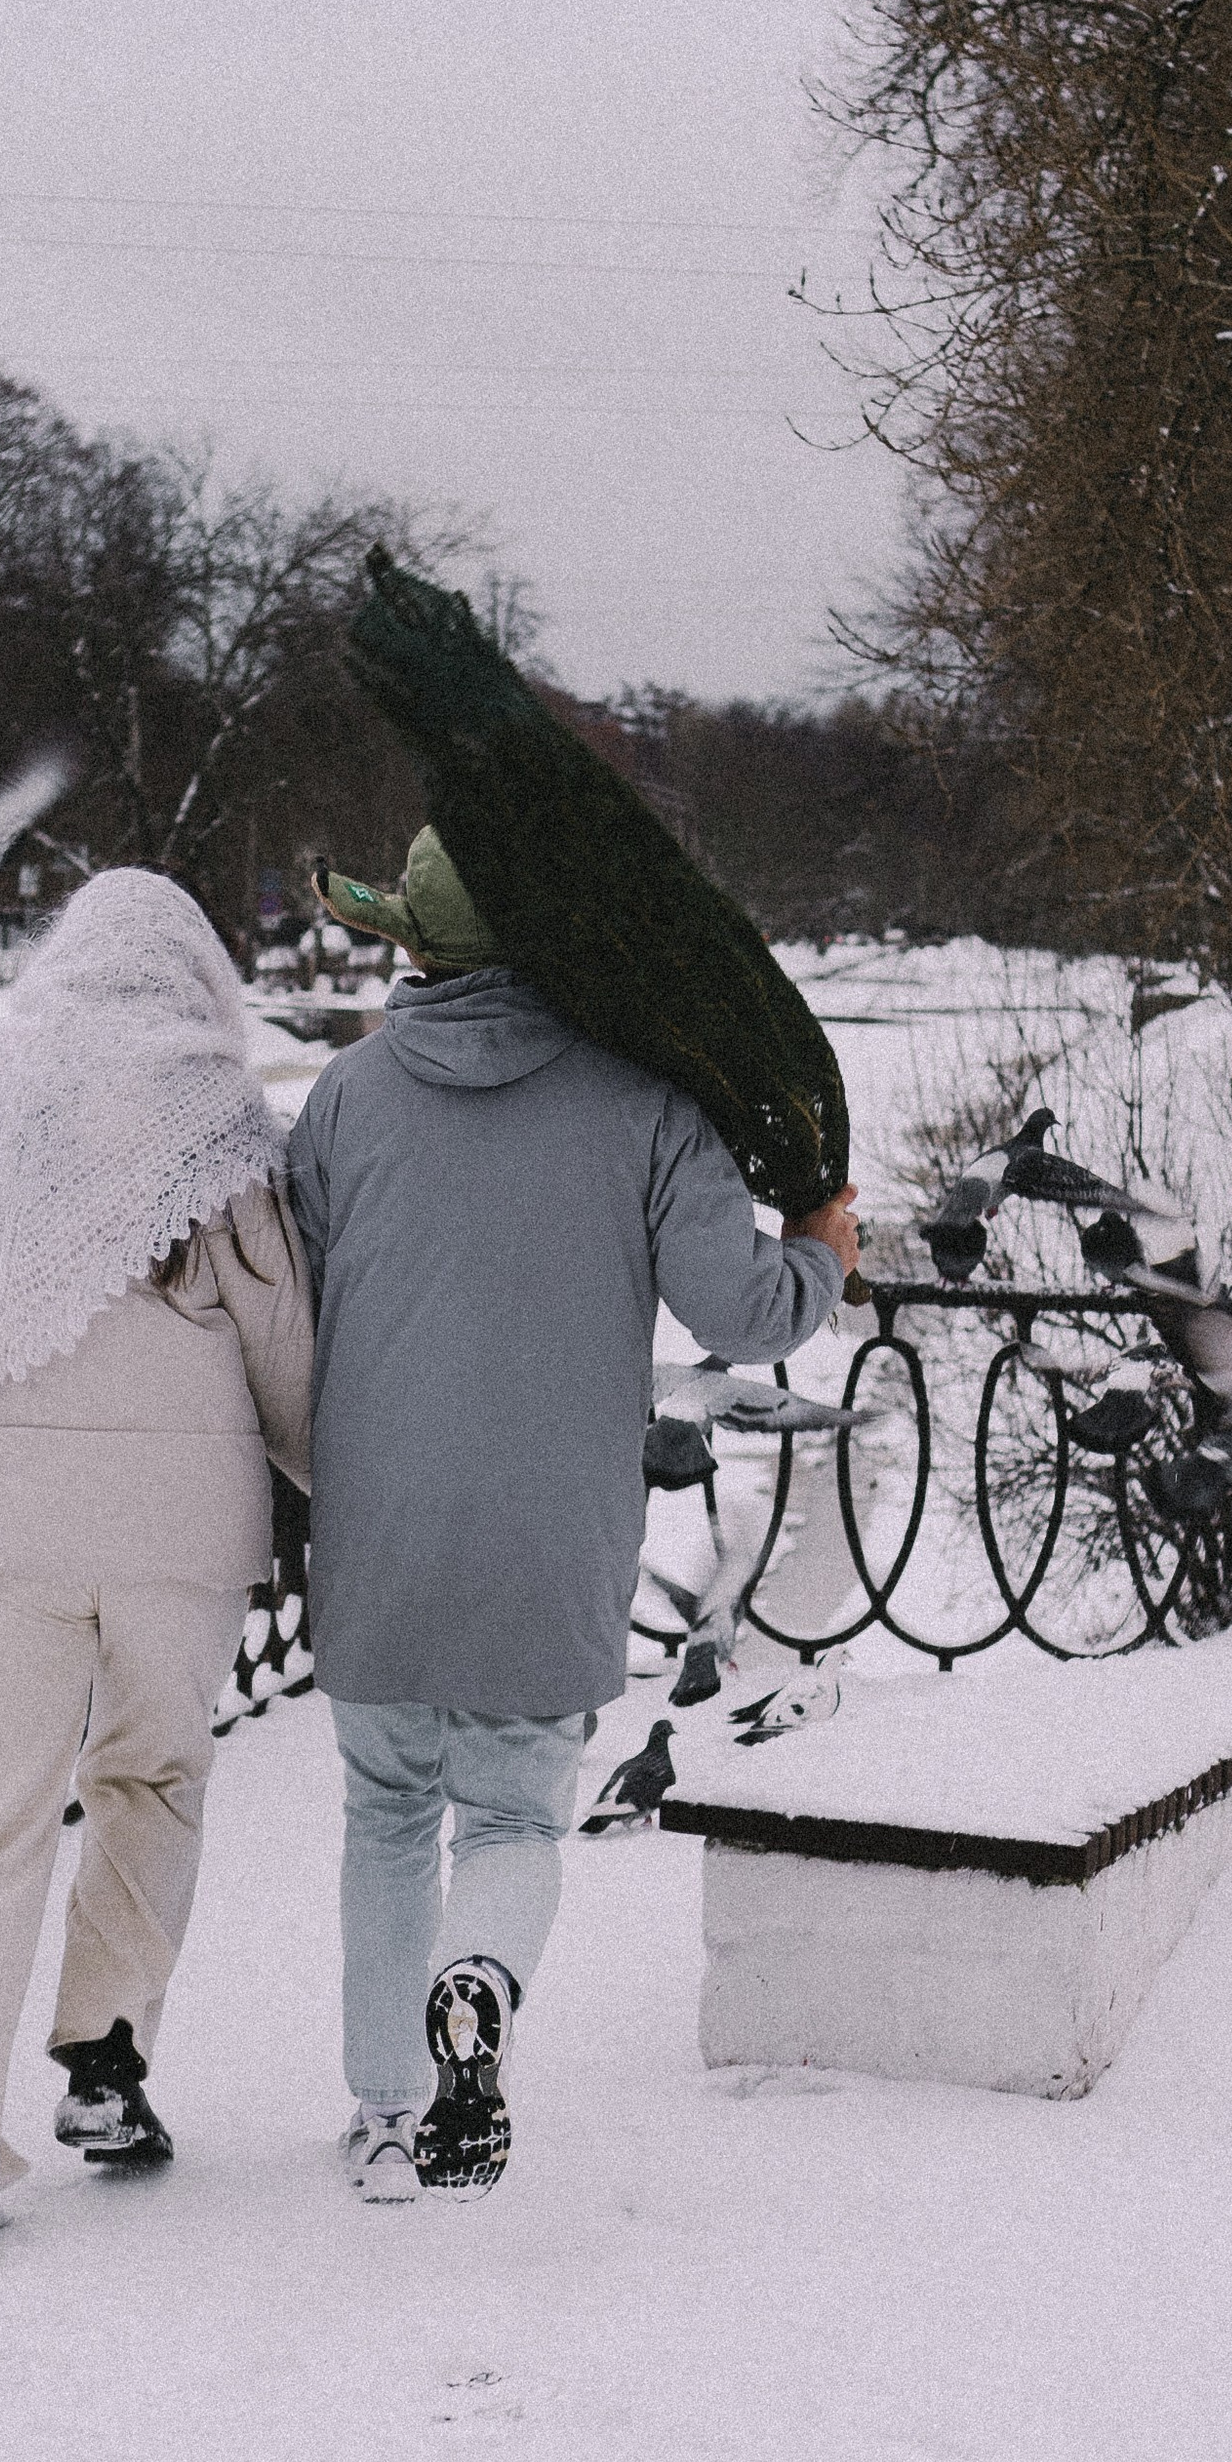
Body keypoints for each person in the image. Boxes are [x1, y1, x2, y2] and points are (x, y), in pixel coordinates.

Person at [286, 825, 857, 2203]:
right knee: (512, 1824)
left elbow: (295, 1300)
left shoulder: (345, 1099)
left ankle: (382, 2118)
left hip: (376, 1529)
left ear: (409, 947)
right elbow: (742, 1310)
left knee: (383, 1815)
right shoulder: (650, 1106)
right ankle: (476, 1987)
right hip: (548, 1540)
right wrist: (823, 1255)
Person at [0, 869, 312, 2255]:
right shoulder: (223, 1122)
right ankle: (106, 2067)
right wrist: (329, 1482)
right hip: (181, 1532)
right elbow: (282, 1346)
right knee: (151, 1780)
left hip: (11, 1522)